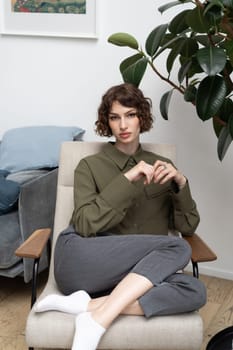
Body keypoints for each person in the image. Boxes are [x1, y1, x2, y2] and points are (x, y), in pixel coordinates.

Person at [35, 83, 206, 350]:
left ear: (142, 118)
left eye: (130, 115)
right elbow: (84, 223)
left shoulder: (163, 168)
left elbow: (188, 225)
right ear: (107, 123)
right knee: (177, 247)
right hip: (83, 259)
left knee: (195, 291)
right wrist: (128, 178)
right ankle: (96, 319)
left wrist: (181, 184)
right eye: (115, 117)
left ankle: (88, 309)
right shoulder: (89, 166)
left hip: (137, 275)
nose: (123, 125)